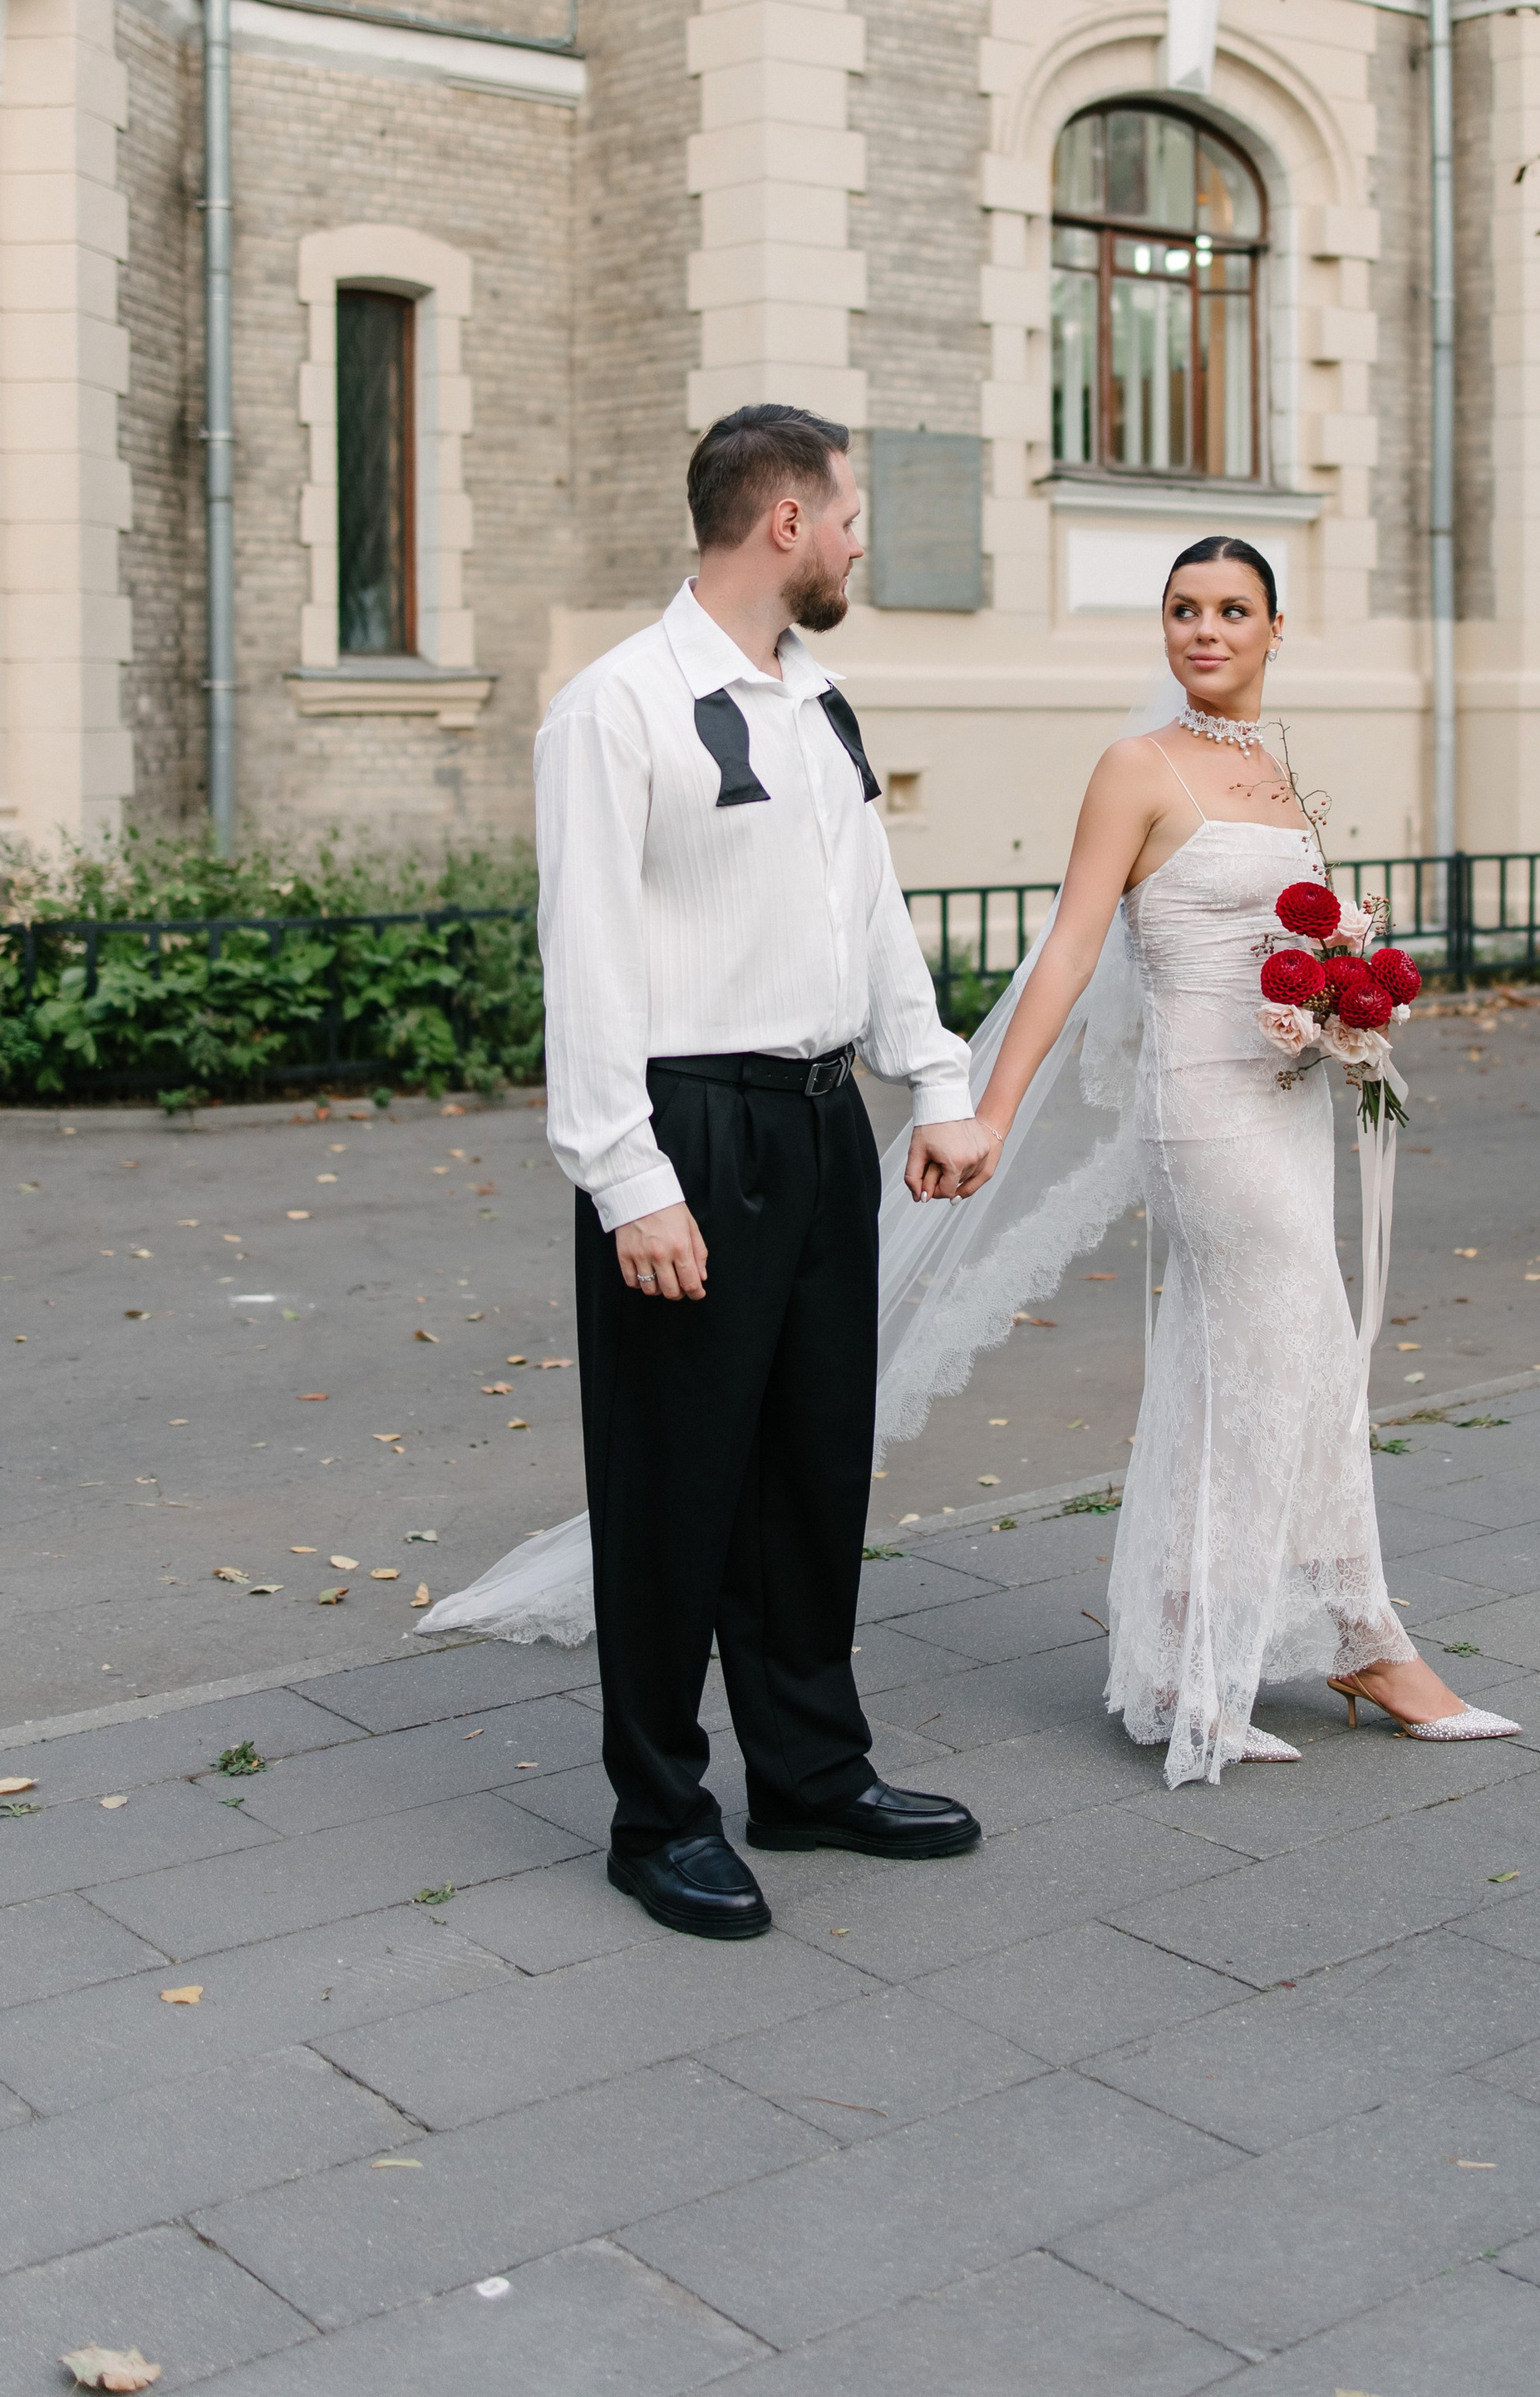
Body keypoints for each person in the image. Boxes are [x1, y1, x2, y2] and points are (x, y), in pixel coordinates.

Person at [529, 402, 991, 1940]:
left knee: (808, 1470)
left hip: (817, 1126)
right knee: (674, 1488)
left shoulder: (822, 698)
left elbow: (872, 913)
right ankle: (659, 1815)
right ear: (784, 523)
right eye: (848, 513)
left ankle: (808, 1774)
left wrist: (932, 1080)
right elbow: (584, 958)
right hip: (687, 1132)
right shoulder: (619, 708)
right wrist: (627, 1181)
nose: (861, 536)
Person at [957, 538, 1520, 1785]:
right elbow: (1065, 952)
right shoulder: (1135, 768)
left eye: (1230, 610)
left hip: (1287, 1102)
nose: (1203, 631)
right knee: (1301, 1348)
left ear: (1275, 629)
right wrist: (993, 1113)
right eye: (1182, 610)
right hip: (1202, 1110)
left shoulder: (1276, 770)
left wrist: (1345, 998)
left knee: (1234, 1374)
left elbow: (1293, 934)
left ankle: (1180, 1660)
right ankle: (1362, 1637)